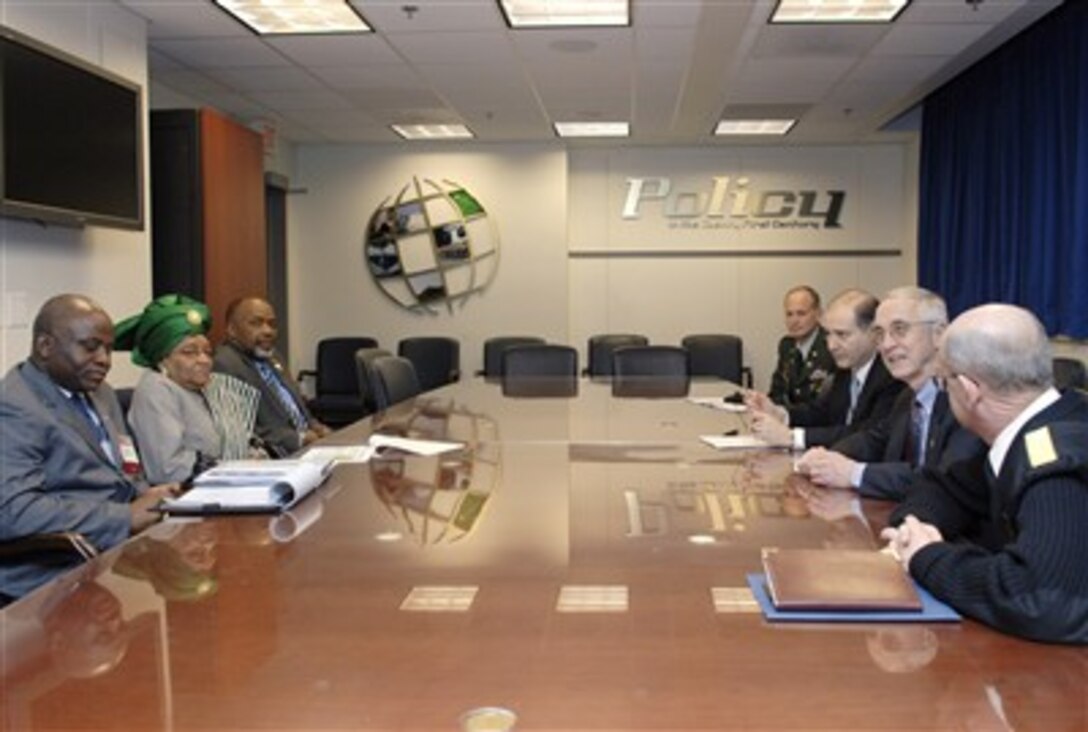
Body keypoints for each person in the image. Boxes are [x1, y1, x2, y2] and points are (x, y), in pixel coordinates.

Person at [882, 304, 1088, 644]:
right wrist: (915, 527)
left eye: (943, 381)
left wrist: (927, 558)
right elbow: (947, 486)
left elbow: (1041, 599)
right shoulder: (1033, 425)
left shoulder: (1056, 461)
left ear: (967, 390)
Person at [0, 295, 179, 600]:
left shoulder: (101, 392)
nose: (105, 360)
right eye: (90, 346)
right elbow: (14, 511)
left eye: (108, 349)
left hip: (116, 553)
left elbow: (126, 466)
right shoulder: (15, 406)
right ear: (45, 347)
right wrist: (123, 517)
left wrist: (151, 497)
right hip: (53, 574)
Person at [797, 287, 985, 500]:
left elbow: (942, 480)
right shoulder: (907, 397)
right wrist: (827, 458)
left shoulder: (965, 396)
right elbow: (874, 440)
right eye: (880, 334)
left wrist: (854, 474)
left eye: (900, 329)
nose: (886, 345)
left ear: (939, 334)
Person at [114, 294, 261, 484]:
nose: (204, 360)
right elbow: (168, 468)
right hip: (191, 497)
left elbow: (241, 439)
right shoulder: (157, 389)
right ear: (162, 359)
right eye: (189, 352)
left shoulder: (208, 387)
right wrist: (232, 471)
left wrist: (259, 460)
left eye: (208, 352)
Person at [746, 288, 904, 449]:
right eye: (828, 334)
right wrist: (780, 414)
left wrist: (792, 437)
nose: (831, 345)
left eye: (842, 335)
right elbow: (822, 413)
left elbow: (867, 435)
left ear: (874, 334)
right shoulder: (846, 368)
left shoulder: (892, 376)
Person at [213, 296, 330, 456]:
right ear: (232, 330)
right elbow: (243, 429)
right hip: (276, 456)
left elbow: (296, 408)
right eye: (256, 323)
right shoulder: (224, 364)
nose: (268, 331)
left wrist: (316, 426)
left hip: (310, 449)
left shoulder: (273, 357)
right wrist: (299, 439)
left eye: (272, 324)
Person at [768, 285, 836, 408]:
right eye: (789, 314)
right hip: (786, 419)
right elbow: (777, 391)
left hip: (819, 423)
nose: (794, 321)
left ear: (818, 314)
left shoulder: (831, 346)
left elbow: (827, 404)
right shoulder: (786, 345)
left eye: (801, 313)